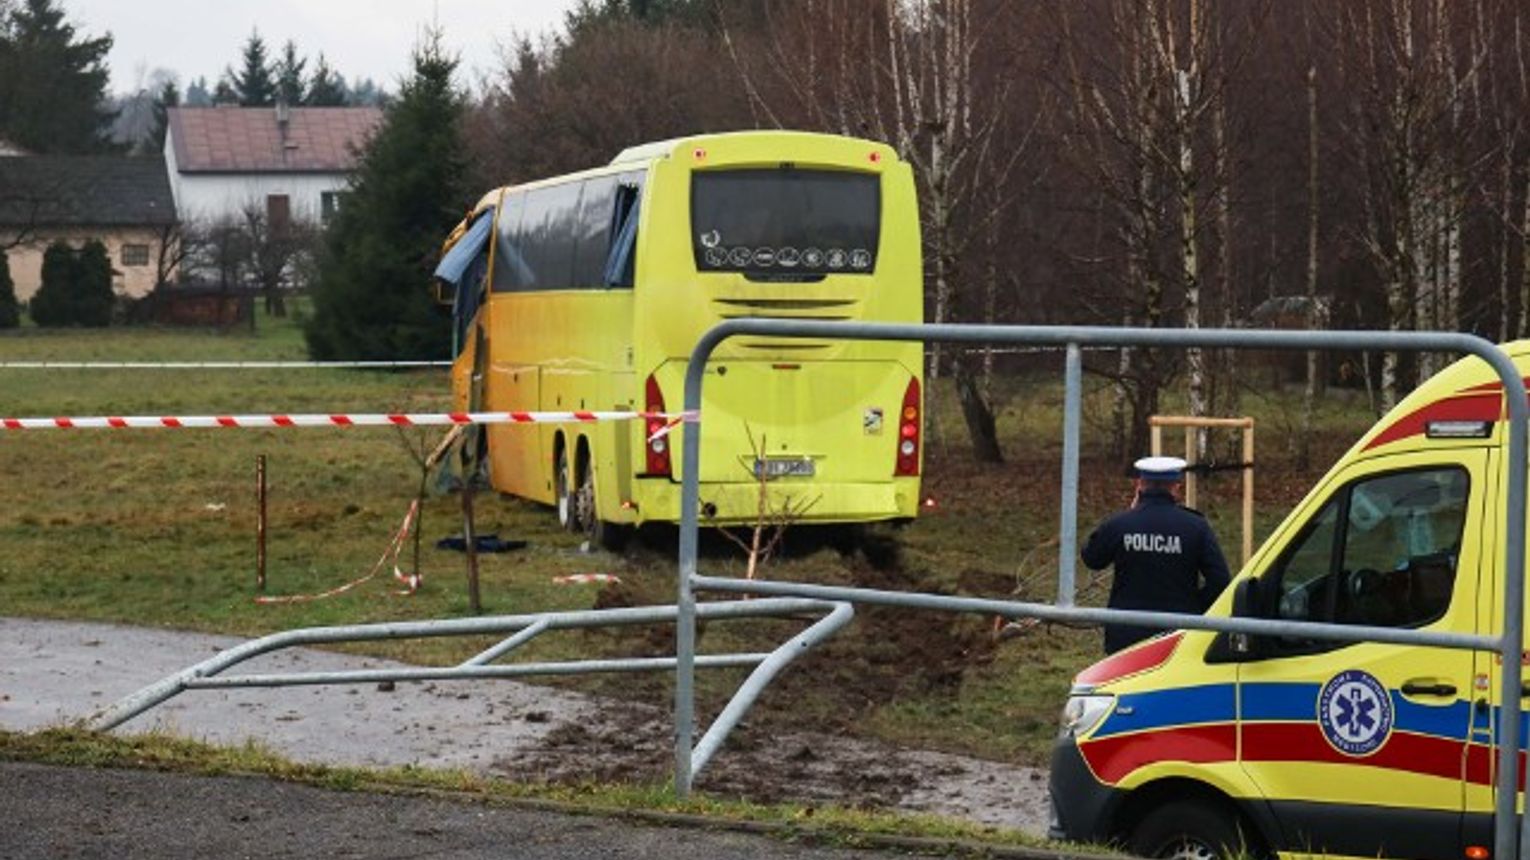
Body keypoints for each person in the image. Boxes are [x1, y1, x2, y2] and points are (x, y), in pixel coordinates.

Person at [1081, 455, 1232, 654]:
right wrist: (1193, 606)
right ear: (1176, 487)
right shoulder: (1196, 526)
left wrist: (1128, 516)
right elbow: (1220, 581)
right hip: (1178, 632)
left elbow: (1092, 558)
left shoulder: (1121, 524)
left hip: (1126, 632)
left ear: (1140, 485)